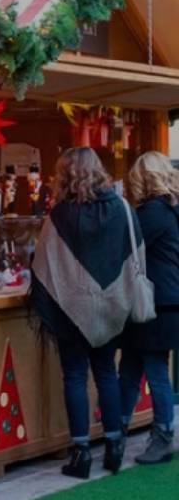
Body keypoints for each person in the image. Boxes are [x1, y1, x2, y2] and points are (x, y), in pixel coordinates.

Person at [29, 147, 146, 479]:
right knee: (107, 373)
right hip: (112, 307)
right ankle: (114, 446)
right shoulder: (123, 209)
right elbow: (137, 255)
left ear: (65, 174)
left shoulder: (59, 216)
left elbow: (42, 265)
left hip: (70, 309)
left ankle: (80, 453)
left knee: (75, 376)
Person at [120, 151, 179, 463]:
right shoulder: (168, 209)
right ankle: (120, 430)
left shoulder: (152, 213)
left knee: (150, 369)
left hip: (153, 303)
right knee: (134, 366)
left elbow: (124, 246)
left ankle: (161, 435)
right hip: (163, 301)